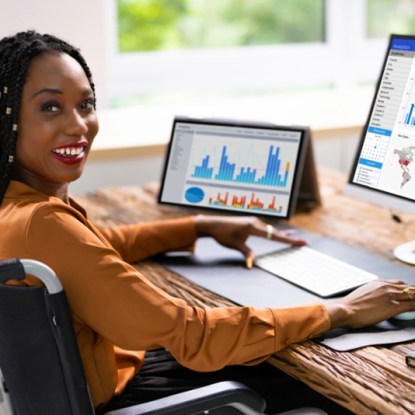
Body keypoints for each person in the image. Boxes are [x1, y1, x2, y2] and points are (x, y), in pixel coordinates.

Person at [0, 30, 414, 415]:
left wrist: (198, 226)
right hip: (128, 398)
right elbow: (191, 333)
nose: (78, 125)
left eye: (86, 104)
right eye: (50, 107)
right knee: (333, 387)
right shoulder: (44, 222)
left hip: (107, 376)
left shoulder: (18, 206)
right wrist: (341, 309)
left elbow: (95, 246)